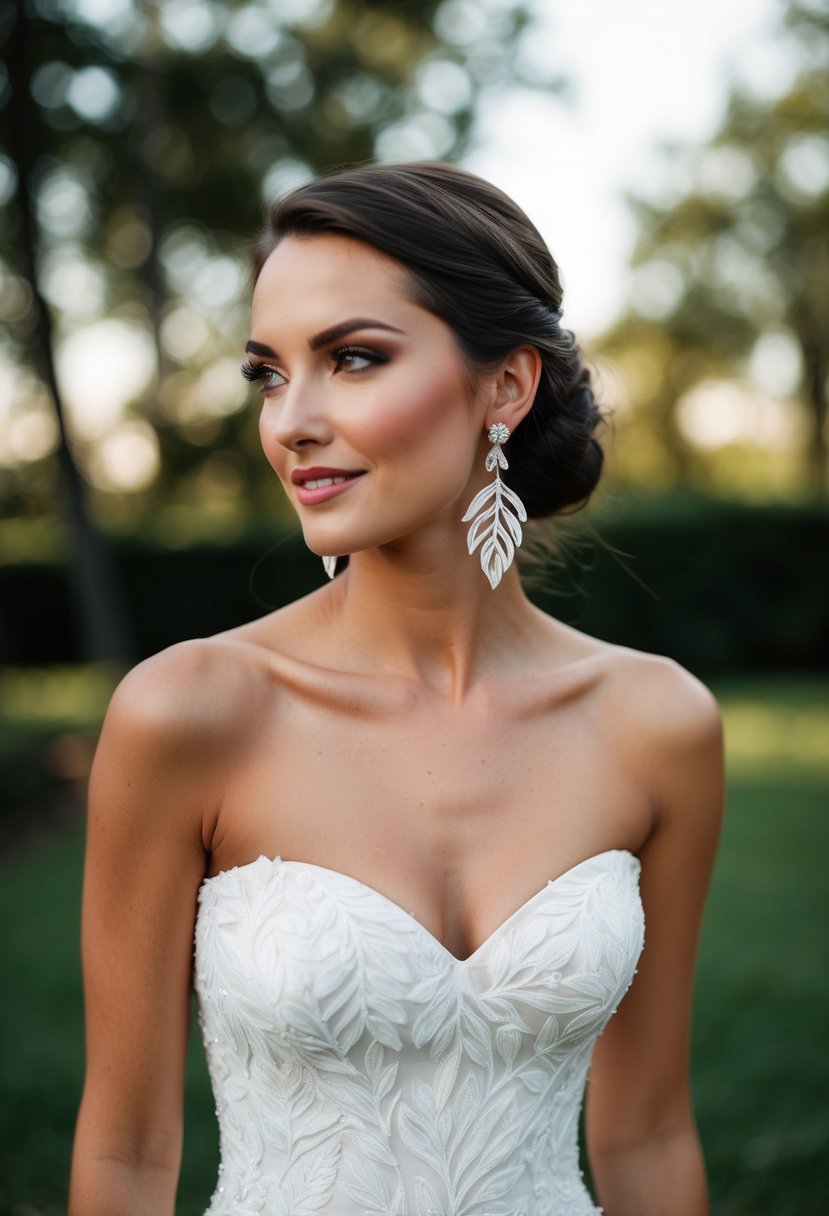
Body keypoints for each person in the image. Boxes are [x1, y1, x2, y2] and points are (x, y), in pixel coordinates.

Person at [68, 161, 724, 1216]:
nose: (290, 422)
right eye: (268, 374)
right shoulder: (189, 711)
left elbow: (646, 1133)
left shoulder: (658, 725)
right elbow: (129, 1150)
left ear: (504, 385)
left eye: (353, 359)